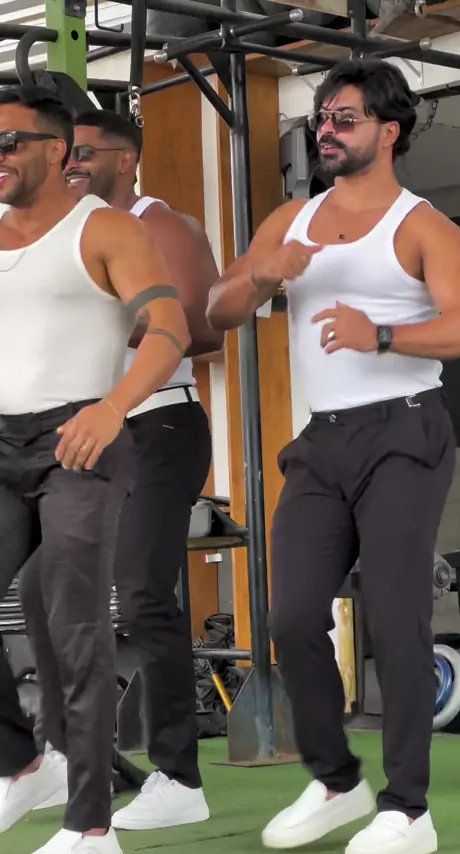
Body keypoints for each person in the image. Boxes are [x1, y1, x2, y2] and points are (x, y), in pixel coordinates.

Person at [206, 57, 460, 854]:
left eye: (344, 118)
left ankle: (409, 810)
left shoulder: (424, 227)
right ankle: (336, 781)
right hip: (322, 440)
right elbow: (217, 310)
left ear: (389, 132)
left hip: (404, 430)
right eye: (322, 117)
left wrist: (381, 333)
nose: (326, 129)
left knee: (395, 619)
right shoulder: (290, 220)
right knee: (291, 618)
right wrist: (260, 275)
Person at [0, 84, 190, 854]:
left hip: (79, 438)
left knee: (76, 628)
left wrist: (112, 409)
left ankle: (90, 824)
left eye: (10, 141)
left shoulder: (105, 229)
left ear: (56, 150)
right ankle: (23, 764)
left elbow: (168, 328)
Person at [37, 109, 220, 831]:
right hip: (87, 432)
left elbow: (202, 324)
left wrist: (120, 316)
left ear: (126, 159)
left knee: (143, 593)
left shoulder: (160, 225)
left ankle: (180, 778)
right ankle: (67, 756)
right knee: (38, 588)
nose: (73, 165)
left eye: (85, 153)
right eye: (67, 155)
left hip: (160, 425)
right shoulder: (65, 234)